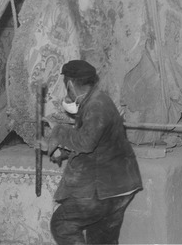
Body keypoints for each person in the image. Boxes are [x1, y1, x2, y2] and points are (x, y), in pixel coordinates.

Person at [41, 60, 142, 245]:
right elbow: (98, 144)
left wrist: (59, 132)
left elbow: (86, 143)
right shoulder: (96, 101)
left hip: (105, 188)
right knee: (102, 240)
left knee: (62, 224)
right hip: (118, 186)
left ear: (70, 84)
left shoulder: (96, 105)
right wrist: (61, 151)